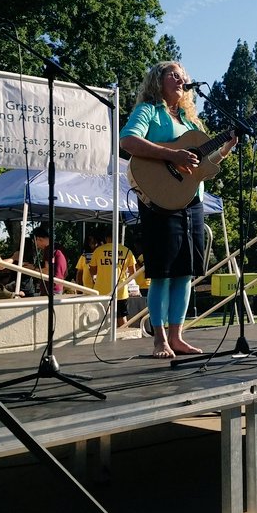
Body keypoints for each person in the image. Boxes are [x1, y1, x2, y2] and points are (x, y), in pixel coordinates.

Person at [119, 61, 237, 358]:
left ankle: (177, 336)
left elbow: (204, 167)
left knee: (185, 272)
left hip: (191, 201)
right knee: (162, 272)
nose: (181, 79)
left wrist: (225, 148)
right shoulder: (149, 110)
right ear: (158, 80)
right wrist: (173, 154)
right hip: (160, 198)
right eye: (174, 74)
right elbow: (128, 140)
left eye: (184, 76)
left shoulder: (190, 121)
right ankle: (159, 339)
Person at [88, 231, 138, 327]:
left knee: (101, 318)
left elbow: (93, 271)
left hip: (101, 290)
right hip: (120, 290)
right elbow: (133, 273)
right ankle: (123, 339)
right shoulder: (127, 251)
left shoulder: (98, 250)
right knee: (121, 318)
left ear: (107, 238)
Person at [31, 225, 67, 295]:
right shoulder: (60, 248)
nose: (37, 246)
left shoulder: (48, 250)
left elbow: (47, 271)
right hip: (58, 287)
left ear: (39, 239)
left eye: (36, 243)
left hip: (50, 289)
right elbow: (65, 272)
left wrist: (32, 268)